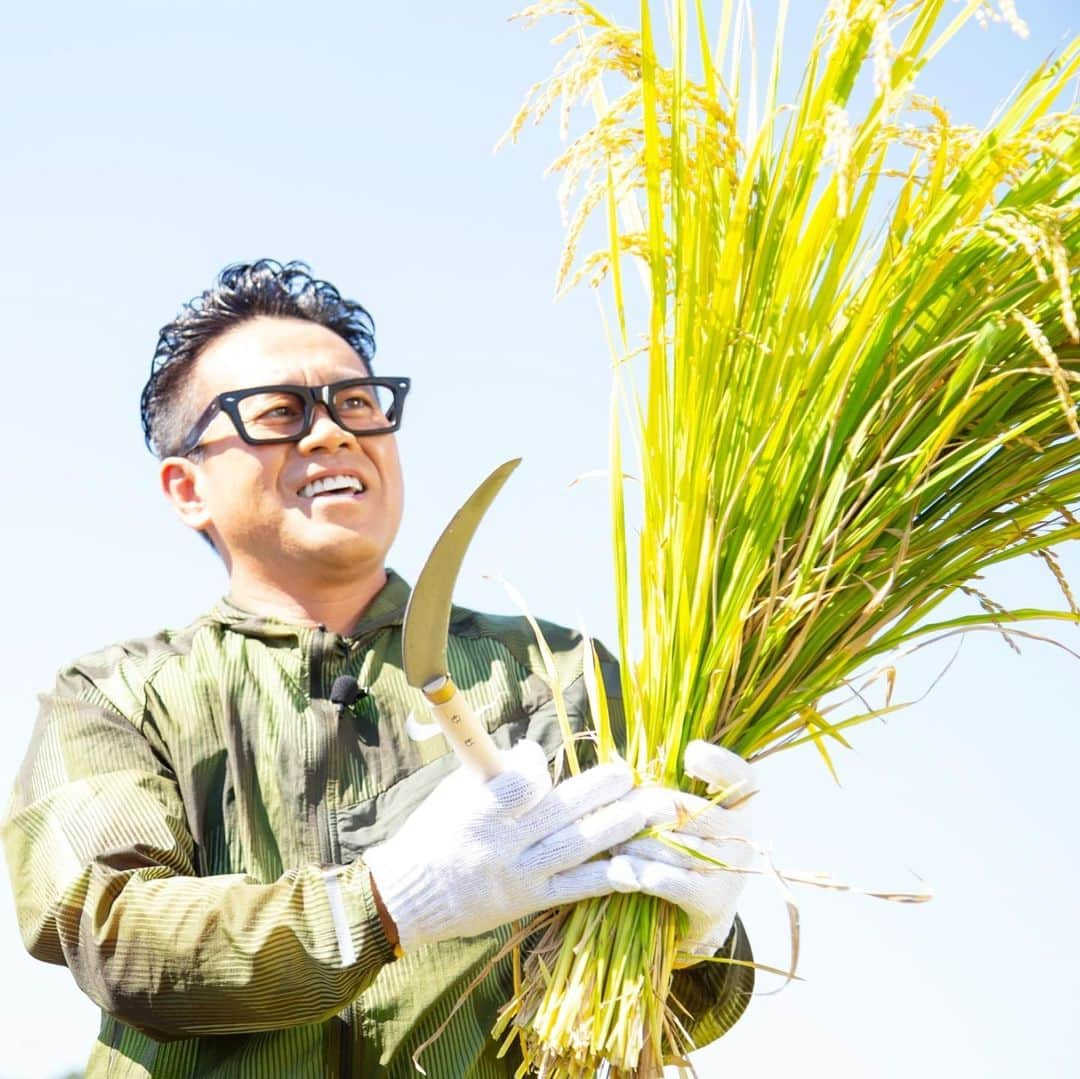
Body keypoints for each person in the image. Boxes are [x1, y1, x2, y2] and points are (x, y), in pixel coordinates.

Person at [3, 260, 756, 1077]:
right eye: (278, 412)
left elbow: (639, 1023)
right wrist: (389, 900)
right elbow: (117, 936)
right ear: (187, 487)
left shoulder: (556, 672)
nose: (332, 432)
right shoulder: (114, 696)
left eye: (356, 403)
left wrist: (696, 939)